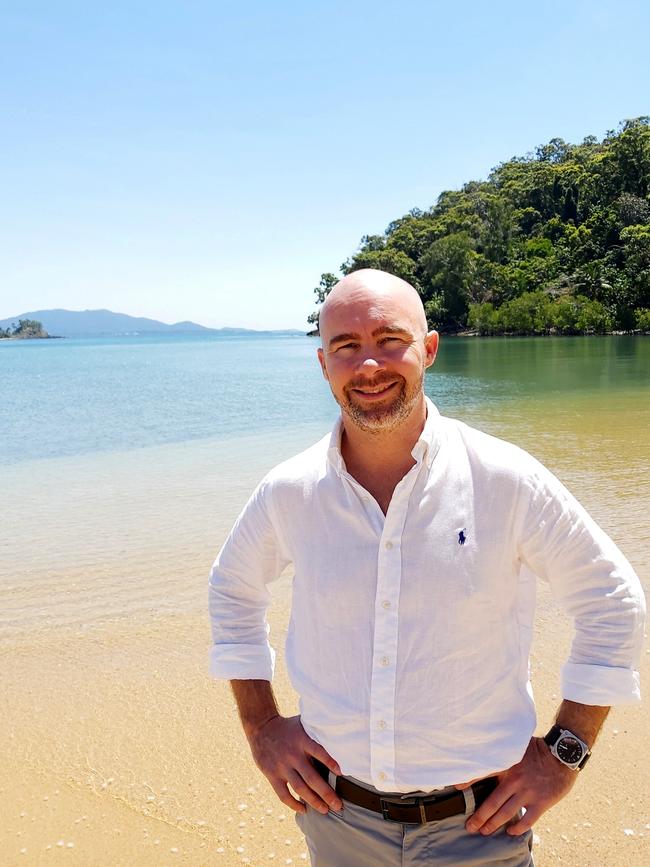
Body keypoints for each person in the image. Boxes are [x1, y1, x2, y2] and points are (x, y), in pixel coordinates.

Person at [209, 268, 645, 866]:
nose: (369, 366)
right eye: (346, 347)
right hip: (338, 821)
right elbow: (233, 591)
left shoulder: (503, 478)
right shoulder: (290, 490)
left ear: (429, 349)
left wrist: (563, 753)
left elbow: (612, 600)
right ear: (322, 364)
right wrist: (261, 728)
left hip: (482, 827)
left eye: (390, 340)